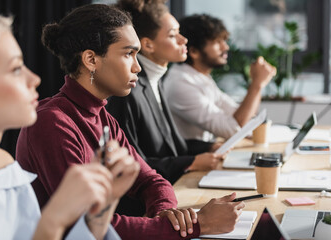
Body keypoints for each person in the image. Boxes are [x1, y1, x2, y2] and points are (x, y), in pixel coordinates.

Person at [16, 3, 245, 240]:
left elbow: (151, 180)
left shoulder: (103, 117)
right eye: (128, 54)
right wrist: (197, 226)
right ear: (91, 59)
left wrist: (166, 212)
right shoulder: (52, 123)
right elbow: (86, 225)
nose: (137, 67)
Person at [0, 11, 123, 240]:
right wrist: (54, 219)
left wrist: (102, 206)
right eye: (15, 69)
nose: (34, 79)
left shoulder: (6, 169)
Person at [106, 0, 225, 185]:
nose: (183, 40)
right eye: (172, 35)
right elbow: (134, 163)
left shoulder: (156, 82)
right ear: (147, 45)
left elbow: (172, 146)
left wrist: (209, 146)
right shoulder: (129, 92)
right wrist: (191, 162)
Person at [164, 14, 277, 141]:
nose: (226, 47)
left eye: (224, 41)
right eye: (217, 42)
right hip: (193, 157)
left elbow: (243, 117)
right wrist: (257, 84)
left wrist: (257, 84)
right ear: (194, 52)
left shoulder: (200, 77)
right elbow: (233, 130)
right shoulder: (181, 83)